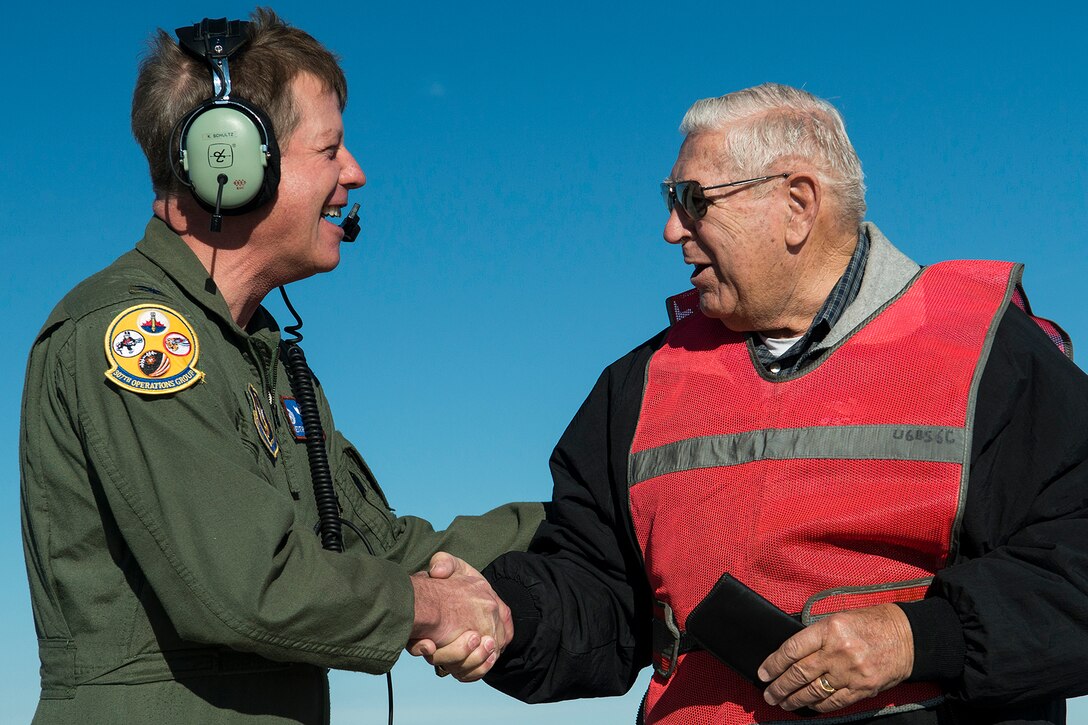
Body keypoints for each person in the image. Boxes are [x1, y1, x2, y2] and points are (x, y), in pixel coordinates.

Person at [419, 83, 1088, 724]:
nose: (669, 229)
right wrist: (510, 617)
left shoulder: (991, 355)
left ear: (797, 203)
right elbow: (596, 590)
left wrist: (919, 637)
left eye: (692, 199)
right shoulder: (639, 384)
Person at [19, 10, 542, 724]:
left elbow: (379, 545)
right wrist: (428, 607)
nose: (354, 173)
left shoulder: (262, 357)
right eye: (330, 149)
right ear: (228, 163)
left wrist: (591, 515)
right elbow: (249, 586)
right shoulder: (138, 335)